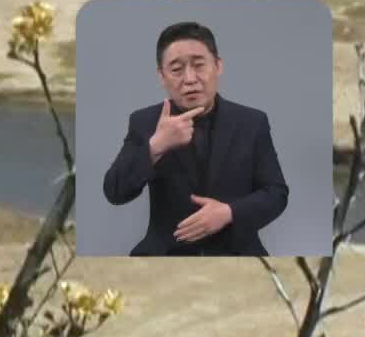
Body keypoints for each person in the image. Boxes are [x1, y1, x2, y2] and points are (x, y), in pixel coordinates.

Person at [101, 20, 289, 256]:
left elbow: (276, 193)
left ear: (218, 66)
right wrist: (156, 146)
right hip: (165, 255)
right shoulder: (145, 122)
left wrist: (228, 213)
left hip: (237, 253)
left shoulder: (252, 122)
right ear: (161, 75)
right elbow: (114, 191)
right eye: (177, 69)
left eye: (199, 65)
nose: (189, 79)